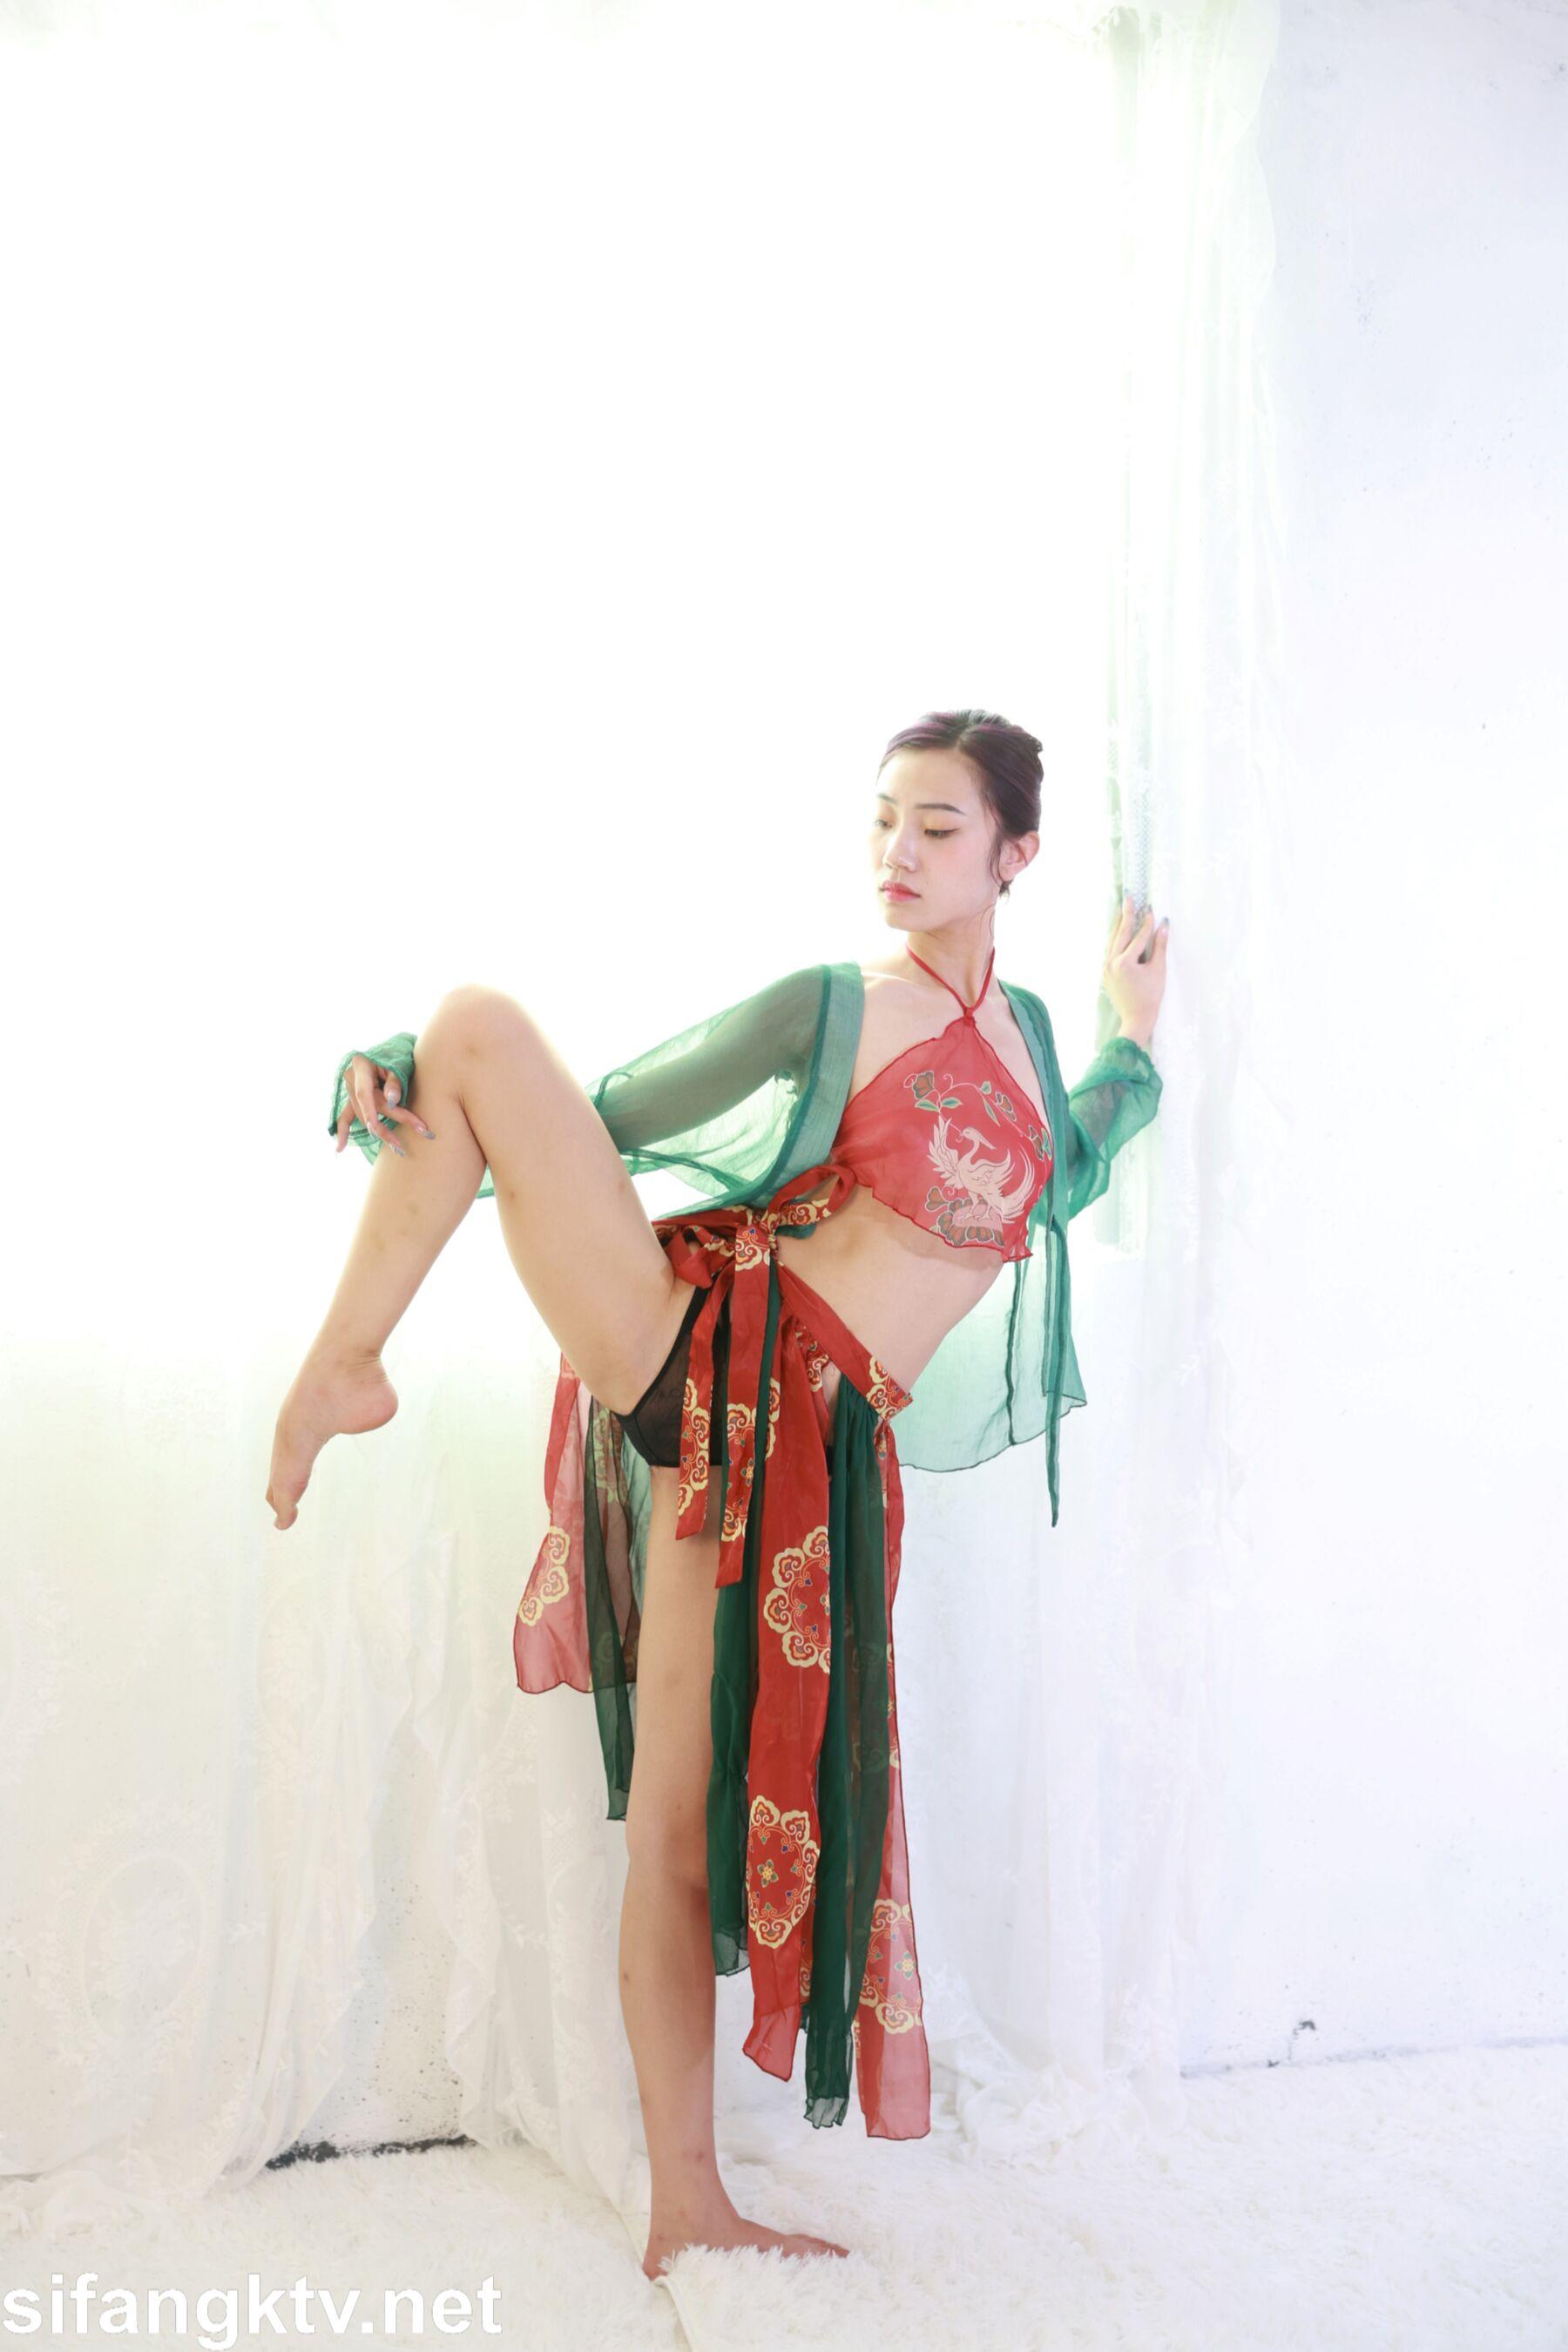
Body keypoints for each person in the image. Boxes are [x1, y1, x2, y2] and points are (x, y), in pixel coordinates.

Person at [266, 708, 1168, 2280]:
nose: (897, 853)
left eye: (938, 828)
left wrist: (1129, 1039)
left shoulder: (1025, 1040)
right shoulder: (841, 1006)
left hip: (818, 1455)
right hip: (714, 1365)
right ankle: (341, 1366)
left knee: (682, 1834)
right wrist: (404, 1079)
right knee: (473, 1030)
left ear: (1015, 854)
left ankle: (689, 2208)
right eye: (884, 820)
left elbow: (1066, 1169)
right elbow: (610, 1117)